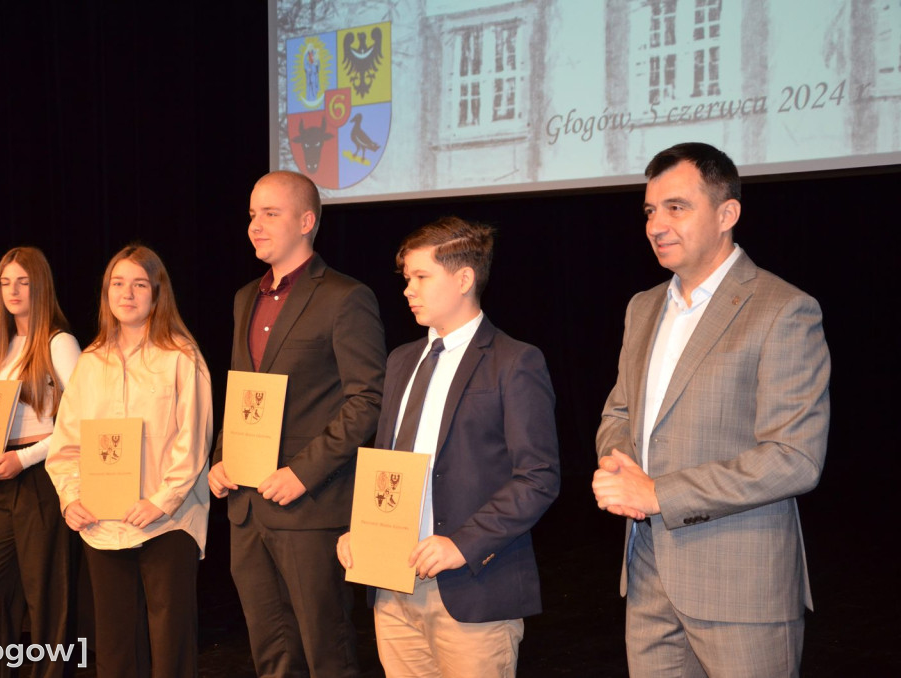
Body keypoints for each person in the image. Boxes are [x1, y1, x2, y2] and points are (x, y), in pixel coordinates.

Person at [592, 142, 831, 677]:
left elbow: (794, 458)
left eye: (676, 207)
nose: (657, 224)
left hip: (740, 587)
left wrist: (658, 493)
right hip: (648, 574)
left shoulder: (784, 309)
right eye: (651, 211)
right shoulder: (643, 306)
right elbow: (619, 414)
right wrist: (618, 463)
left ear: (728, 214)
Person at [336, 216, 561, 678]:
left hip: (473, 589)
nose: (408, 290)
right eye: (407, 279)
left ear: (463, 278)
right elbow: (387, 468)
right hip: (393, 585)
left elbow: (538, 478)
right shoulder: (401, 361)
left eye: (421, 277)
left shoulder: (514, 361)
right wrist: (363, 529)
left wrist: (464, 544)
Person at [207, 170, 385, 678]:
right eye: (251, 214)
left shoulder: (345, 297)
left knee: (327, 653)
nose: (254, 226)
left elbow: (366, 401)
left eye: (270, 214)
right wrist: (222, 458)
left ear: (307, 221)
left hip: (309, 506)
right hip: (247, 509)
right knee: (272, 656)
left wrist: (303, 472)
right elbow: (243, 392)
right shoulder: (246, 297)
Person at [46, 244, 213, 678]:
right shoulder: (90, 362)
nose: (127, 293)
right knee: (116, 648)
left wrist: (161, 500)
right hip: (102, 524)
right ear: (106, 294)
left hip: (168, 522)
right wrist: (70, 499)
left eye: (140, 284)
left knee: (170, 645)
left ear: (157, 294)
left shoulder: (181, 356)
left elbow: (194, 440)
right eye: (117, 284)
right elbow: (66, 445)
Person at [0, 246, 80, 678]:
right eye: (5, 282)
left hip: (42, 479)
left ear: (40, 286)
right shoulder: (1, 346)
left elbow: (78, 423)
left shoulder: (59, 343)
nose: (13, 290)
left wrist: (23, 459)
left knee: (46, 601)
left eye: (23, 281)